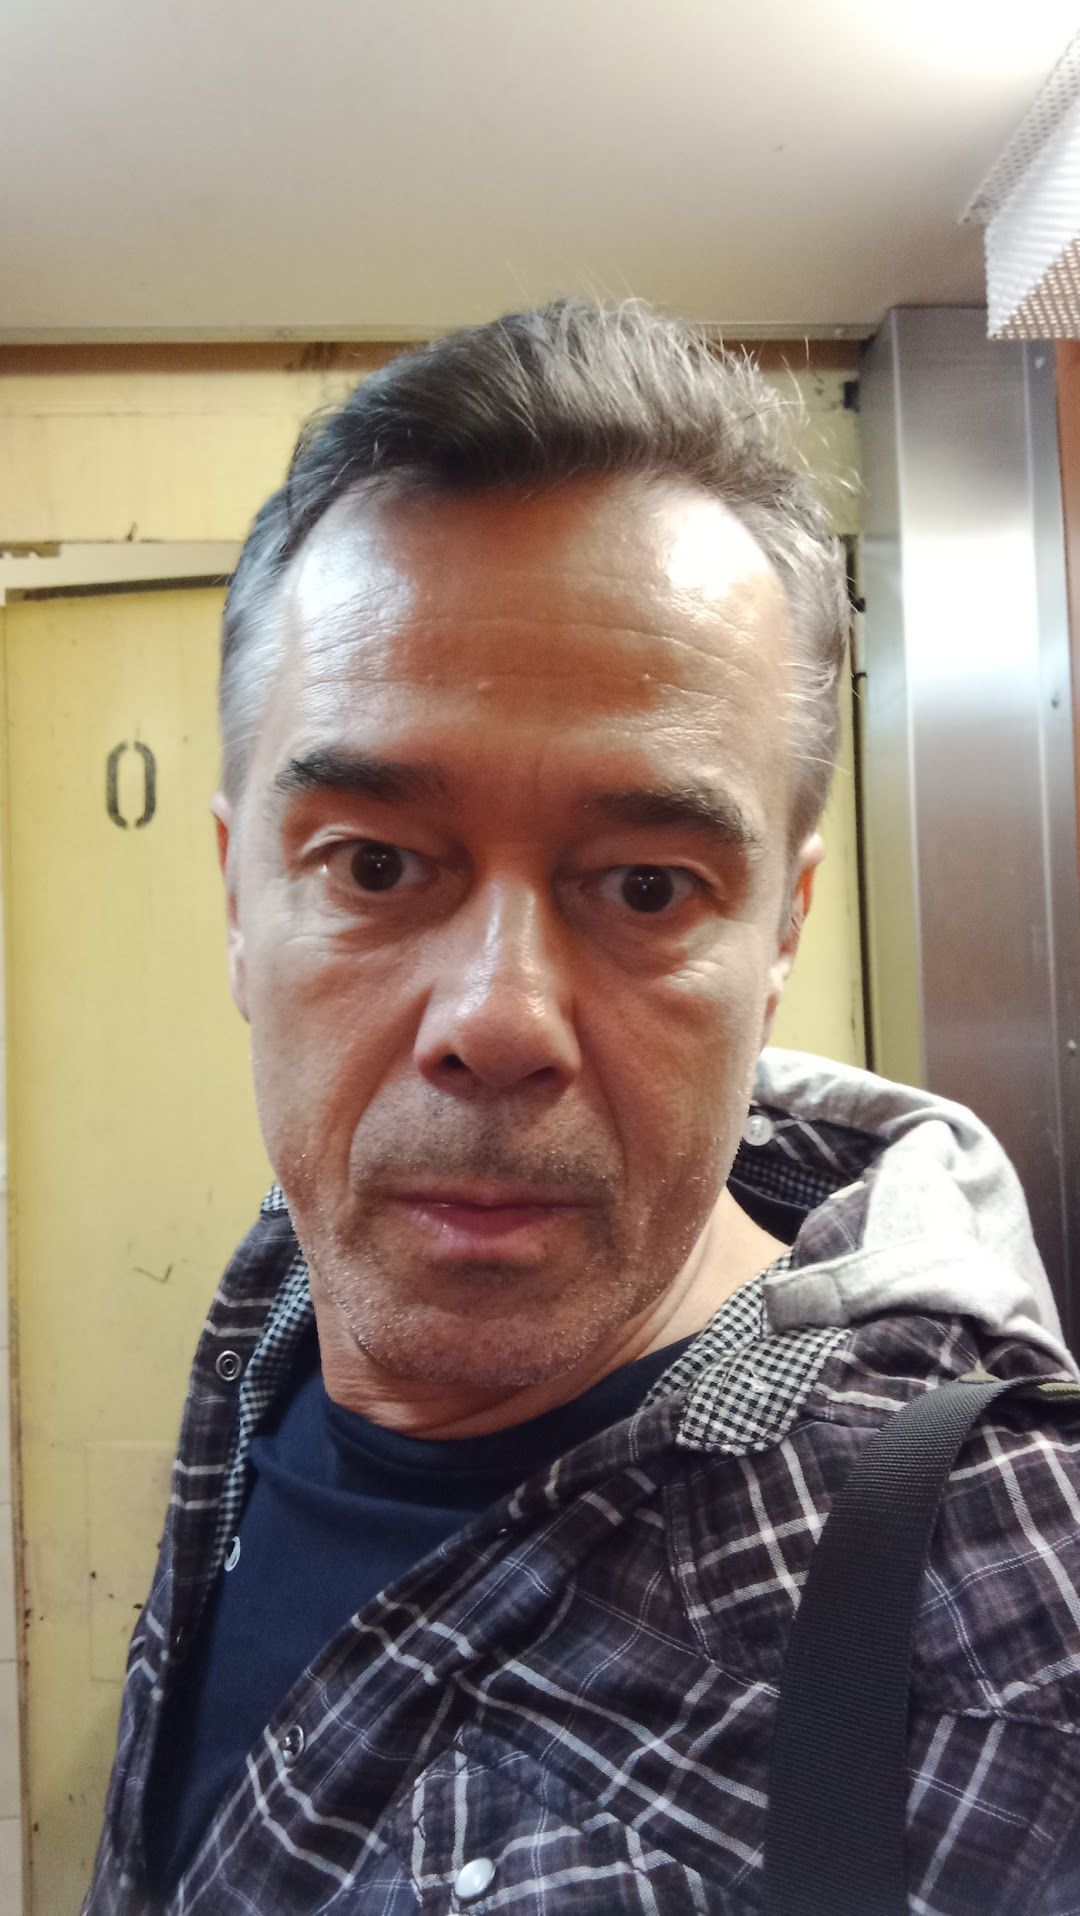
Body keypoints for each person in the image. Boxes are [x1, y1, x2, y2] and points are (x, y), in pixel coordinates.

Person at [85, 301, 1080, 1916]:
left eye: (645, 884)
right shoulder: (287, 1298)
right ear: (238, 898)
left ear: (781, 934)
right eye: (376, 864)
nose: (496, 1022)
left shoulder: (1004, 1623)